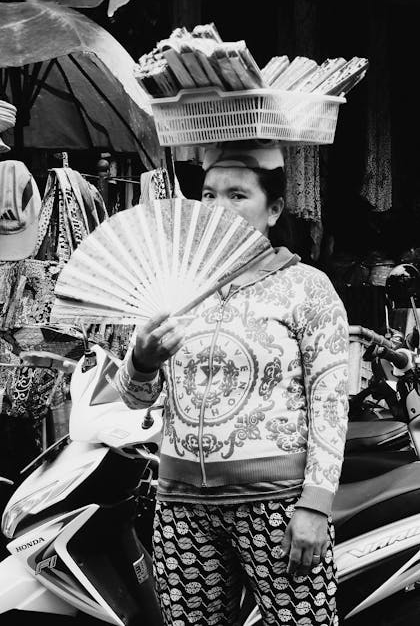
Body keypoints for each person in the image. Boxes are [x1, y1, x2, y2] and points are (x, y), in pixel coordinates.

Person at [114, 140, 349, 626]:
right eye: (209, 194)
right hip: (182, 510)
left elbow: (329, 403)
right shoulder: (175, 288)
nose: (218, 208)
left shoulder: (306, 287)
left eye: (237, 196)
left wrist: (315, 506)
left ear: (274, 209)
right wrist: (141, 360)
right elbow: (136, 397)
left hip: (277, 508)